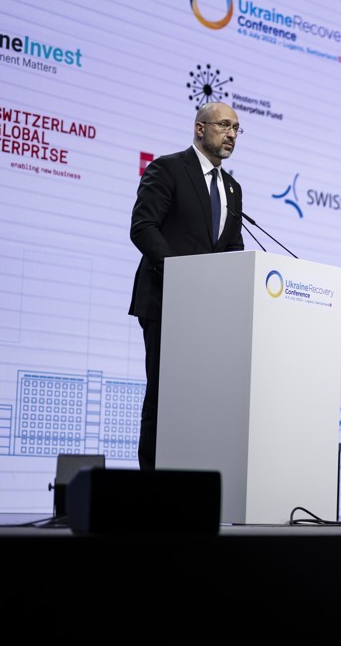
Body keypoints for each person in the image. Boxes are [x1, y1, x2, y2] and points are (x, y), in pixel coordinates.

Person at [129, 101, 245, 471]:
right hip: (167, 300)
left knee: (200, 402)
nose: (231, 134)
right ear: (200, 128)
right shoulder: (168, 168)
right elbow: (143, 227)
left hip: (209, 313)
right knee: (164, 396)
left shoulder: (232, 188)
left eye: (236, 129)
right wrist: (183, 277)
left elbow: (231, 247)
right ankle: (153, 485)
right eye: (224, 125)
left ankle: (190, 486)